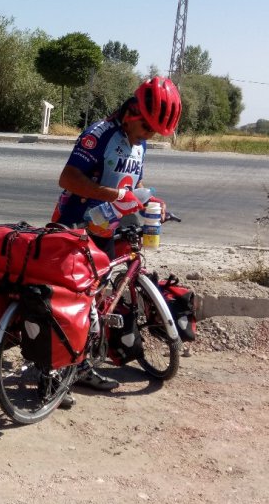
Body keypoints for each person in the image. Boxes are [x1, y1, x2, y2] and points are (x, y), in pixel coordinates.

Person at [51, 76, 182, 407]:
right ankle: (50, 376)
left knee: (94, 303)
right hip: (74, 227)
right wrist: (113, 196)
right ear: (132, 112)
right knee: (67, 304)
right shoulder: (100, 134)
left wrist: (152, 202)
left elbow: (132, 184)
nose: (149, 136)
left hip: (105, 232)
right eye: (148, 128)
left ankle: (78, 367)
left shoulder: (140, 144)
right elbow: (67, 178)